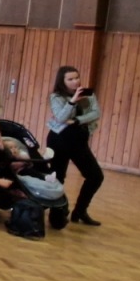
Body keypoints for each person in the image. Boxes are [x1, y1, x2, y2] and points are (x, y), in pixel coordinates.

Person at [48, 66, 104, 226]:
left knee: (95, 176)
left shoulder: (88, 94)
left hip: (79, 138)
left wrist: (77, 120)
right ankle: (56, 215)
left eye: (77, 78)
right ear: (62, 81)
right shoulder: (56, 97)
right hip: (59, 139)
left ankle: (80, 211)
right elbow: (61, 117)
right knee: (58, 177)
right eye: (70, 79)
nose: (75, 81)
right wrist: (72, 101)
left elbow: (96, 113)